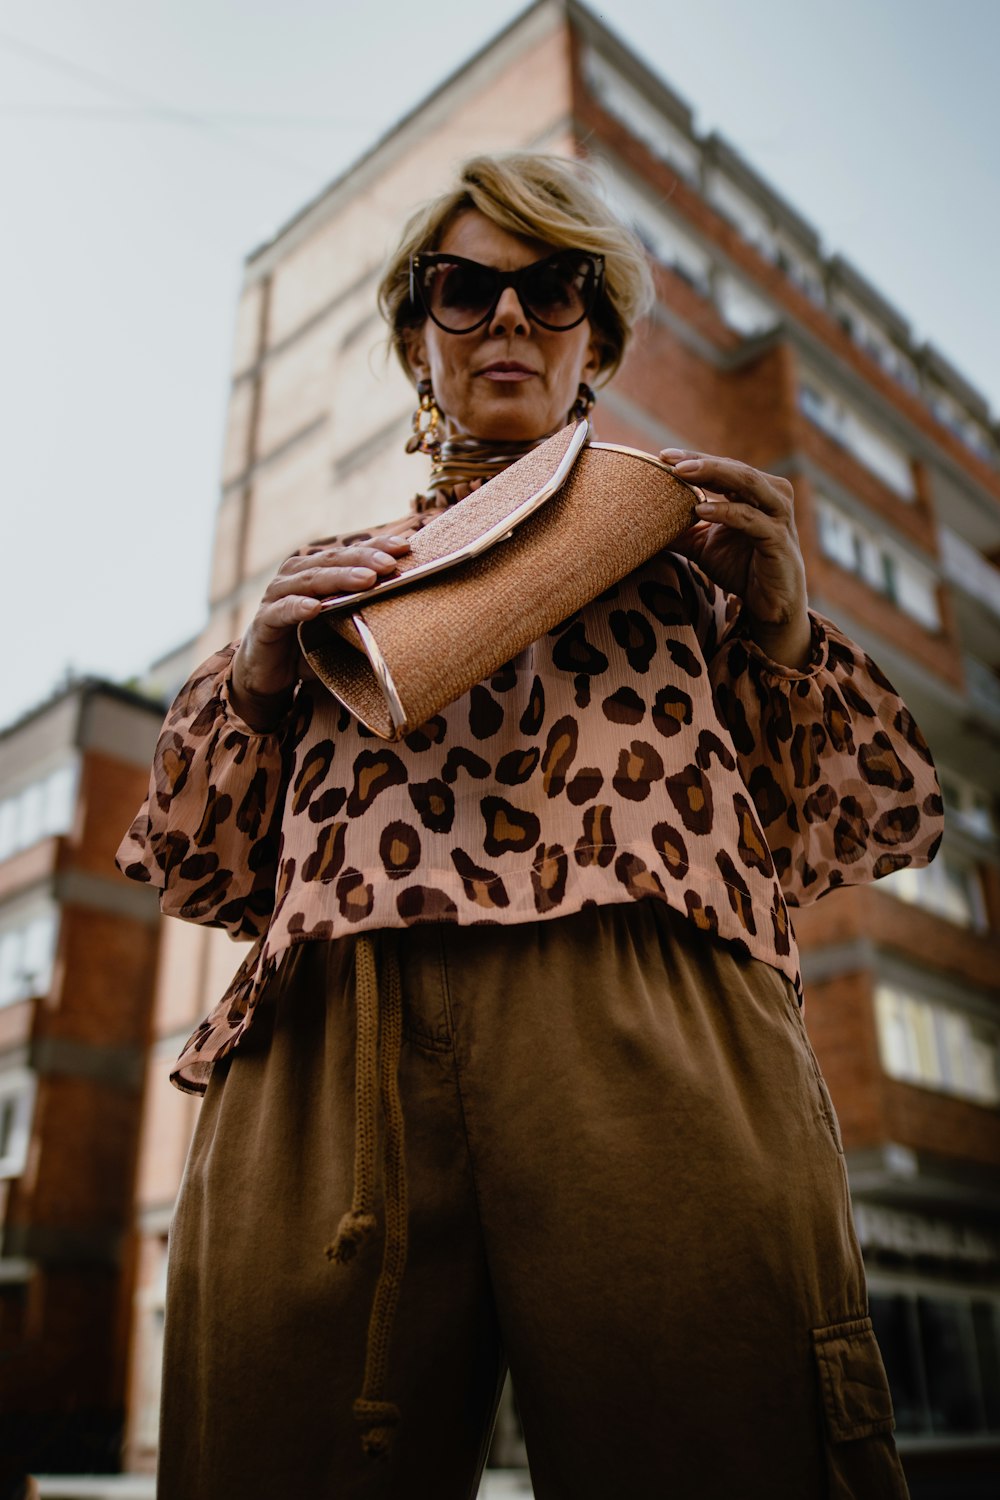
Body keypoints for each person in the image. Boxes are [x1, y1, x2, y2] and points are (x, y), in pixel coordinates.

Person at [118, 153, 941, 1499]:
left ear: (596, 337)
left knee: (730, 1443)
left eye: (551, 289)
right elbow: (199, 868)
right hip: (336, 1034)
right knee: (278, 1458)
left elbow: (856, 824)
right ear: (414, 337)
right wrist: (259, 676)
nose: (507, 319)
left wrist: (783, 627)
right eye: (464, 288)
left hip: (647, 1007)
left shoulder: (701, 567)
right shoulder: (326, 600)